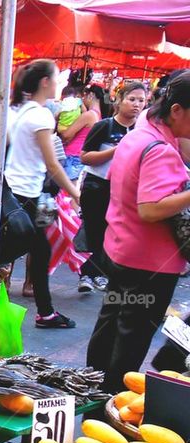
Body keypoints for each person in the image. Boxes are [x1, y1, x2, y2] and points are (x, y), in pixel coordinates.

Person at [86, 70, 190, 392]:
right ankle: (112, 401)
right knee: (131, 336)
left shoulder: (139, 132)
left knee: (110, 324)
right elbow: (150, 208)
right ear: (176, 111)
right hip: (150, 262)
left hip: (121, 248)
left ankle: (92, 388)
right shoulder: (158, 148)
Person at [3, 59, 79, 329]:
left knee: (37, 249)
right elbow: (52, 164)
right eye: (56, 79)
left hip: (16, 191)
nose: (58, 84)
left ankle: (46, 312)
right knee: (14, 250)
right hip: (26, 195)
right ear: (45, 82)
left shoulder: (19, 110)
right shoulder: (40, 115)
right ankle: (45, 312)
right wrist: (74, 192)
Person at [77, 81, 147, 293]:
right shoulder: (104, 126)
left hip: (126, 190)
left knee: (114, 233)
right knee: (96, 231)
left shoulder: (142, 130)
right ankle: (91, 274)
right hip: (97, 187)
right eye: (131, 99)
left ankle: (92, 273)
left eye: (141, 100)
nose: (136, 105)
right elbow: (85, 157)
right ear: (119, 100)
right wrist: (115, 151)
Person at [59, 84, 105, 181]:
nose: (82, 99)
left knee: (64, 191)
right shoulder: (99, 115)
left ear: (91, 95)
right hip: (81, 157)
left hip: (72, 157)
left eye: (84, 96)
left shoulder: (88, 115)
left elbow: (66, 135)